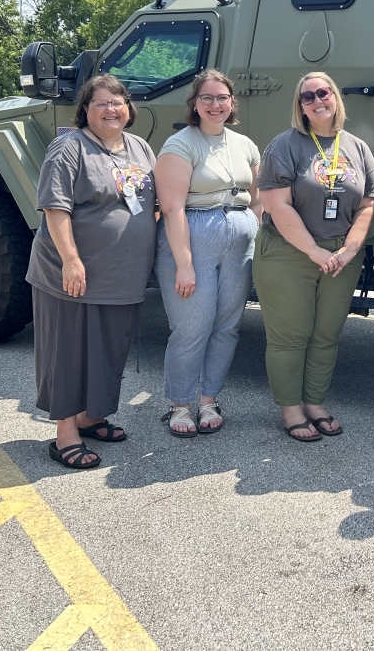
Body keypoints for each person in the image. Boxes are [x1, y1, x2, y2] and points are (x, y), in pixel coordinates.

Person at [27, 74, 156, 469]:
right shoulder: (69, 147)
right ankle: (65, 432)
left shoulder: (139, 147)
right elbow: (55, 207)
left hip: (122, 277)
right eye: (100, 103)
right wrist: (71, 259)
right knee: (68, 353)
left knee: (108, 350)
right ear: (84, 110)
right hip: (71, 274)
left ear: (128, 109)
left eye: (117, 102)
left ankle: (92, 417)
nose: (110, 110)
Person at [255, 72, 374, 441]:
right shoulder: (285, 145)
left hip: (340, 256)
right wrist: (313, 251)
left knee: (326, 335)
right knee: (290, 337)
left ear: (335, 97)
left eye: (323, 92)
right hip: (288, 252)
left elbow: (369, 203)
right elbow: (276, 204)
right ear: (300, 106)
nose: (316, 100)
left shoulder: (356, 147)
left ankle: (314, 402)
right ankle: (291, 409)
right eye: (307, 96)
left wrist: (349, 249)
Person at [154, 69, 262, 437]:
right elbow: (172, 209)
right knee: (191, 326)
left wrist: (254, 230)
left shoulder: (245, 144)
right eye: (207, 98)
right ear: (194, 104)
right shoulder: (181, 144)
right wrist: (184, 264)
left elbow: (258, 196)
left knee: (227, 326)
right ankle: (180, 405)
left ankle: (208, 399)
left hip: (239, 242)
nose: (215, 105)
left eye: (222, 98)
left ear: (232, 102)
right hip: (194, 236)